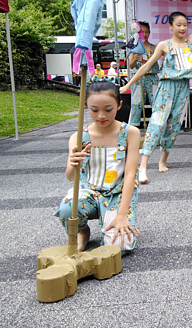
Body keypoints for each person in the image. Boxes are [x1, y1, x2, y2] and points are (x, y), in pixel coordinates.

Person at [120, 5, 192, 184]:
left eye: (184, 25)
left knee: (174, 125)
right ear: (171, 26)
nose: (182, 28)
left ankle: (163, 160)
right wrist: (128, 84)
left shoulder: (190, 41)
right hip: (166, 88)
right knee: (157, 124)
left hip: (183, 89)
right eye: (178, 25)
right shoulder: (164, 45)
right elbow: (146, 66)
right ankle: (142, 166)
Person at [55, 81, 140, 253]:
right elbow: (70, 177)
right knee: (66, 208)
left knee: (118, 246)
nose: (101, 115)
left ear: (119, 105)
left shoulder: (130, 133)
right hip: (88, 191)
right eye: (94, 110)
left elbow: (130, 175)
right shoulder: (79, 136)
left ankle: (113, 221)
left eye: (108, 109)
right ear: (86, 106)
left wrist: (122, 214)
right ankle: (82, 231)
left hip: (117, 193)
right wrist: (73, 163)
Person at [128, 21, 160, 127]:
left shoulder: (154, 48)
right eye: (143, 32)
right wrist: (135, 59)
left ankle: (157, 128)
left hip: (152, 79)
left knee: (156, 103)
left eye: (147, 32)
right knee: (136, 104)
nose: (145, 35)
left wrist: (143, 60)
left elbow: (154, 65)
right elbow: (131, 66)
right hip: (138, 79)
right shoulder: (134, 47)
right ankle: (133, 129)